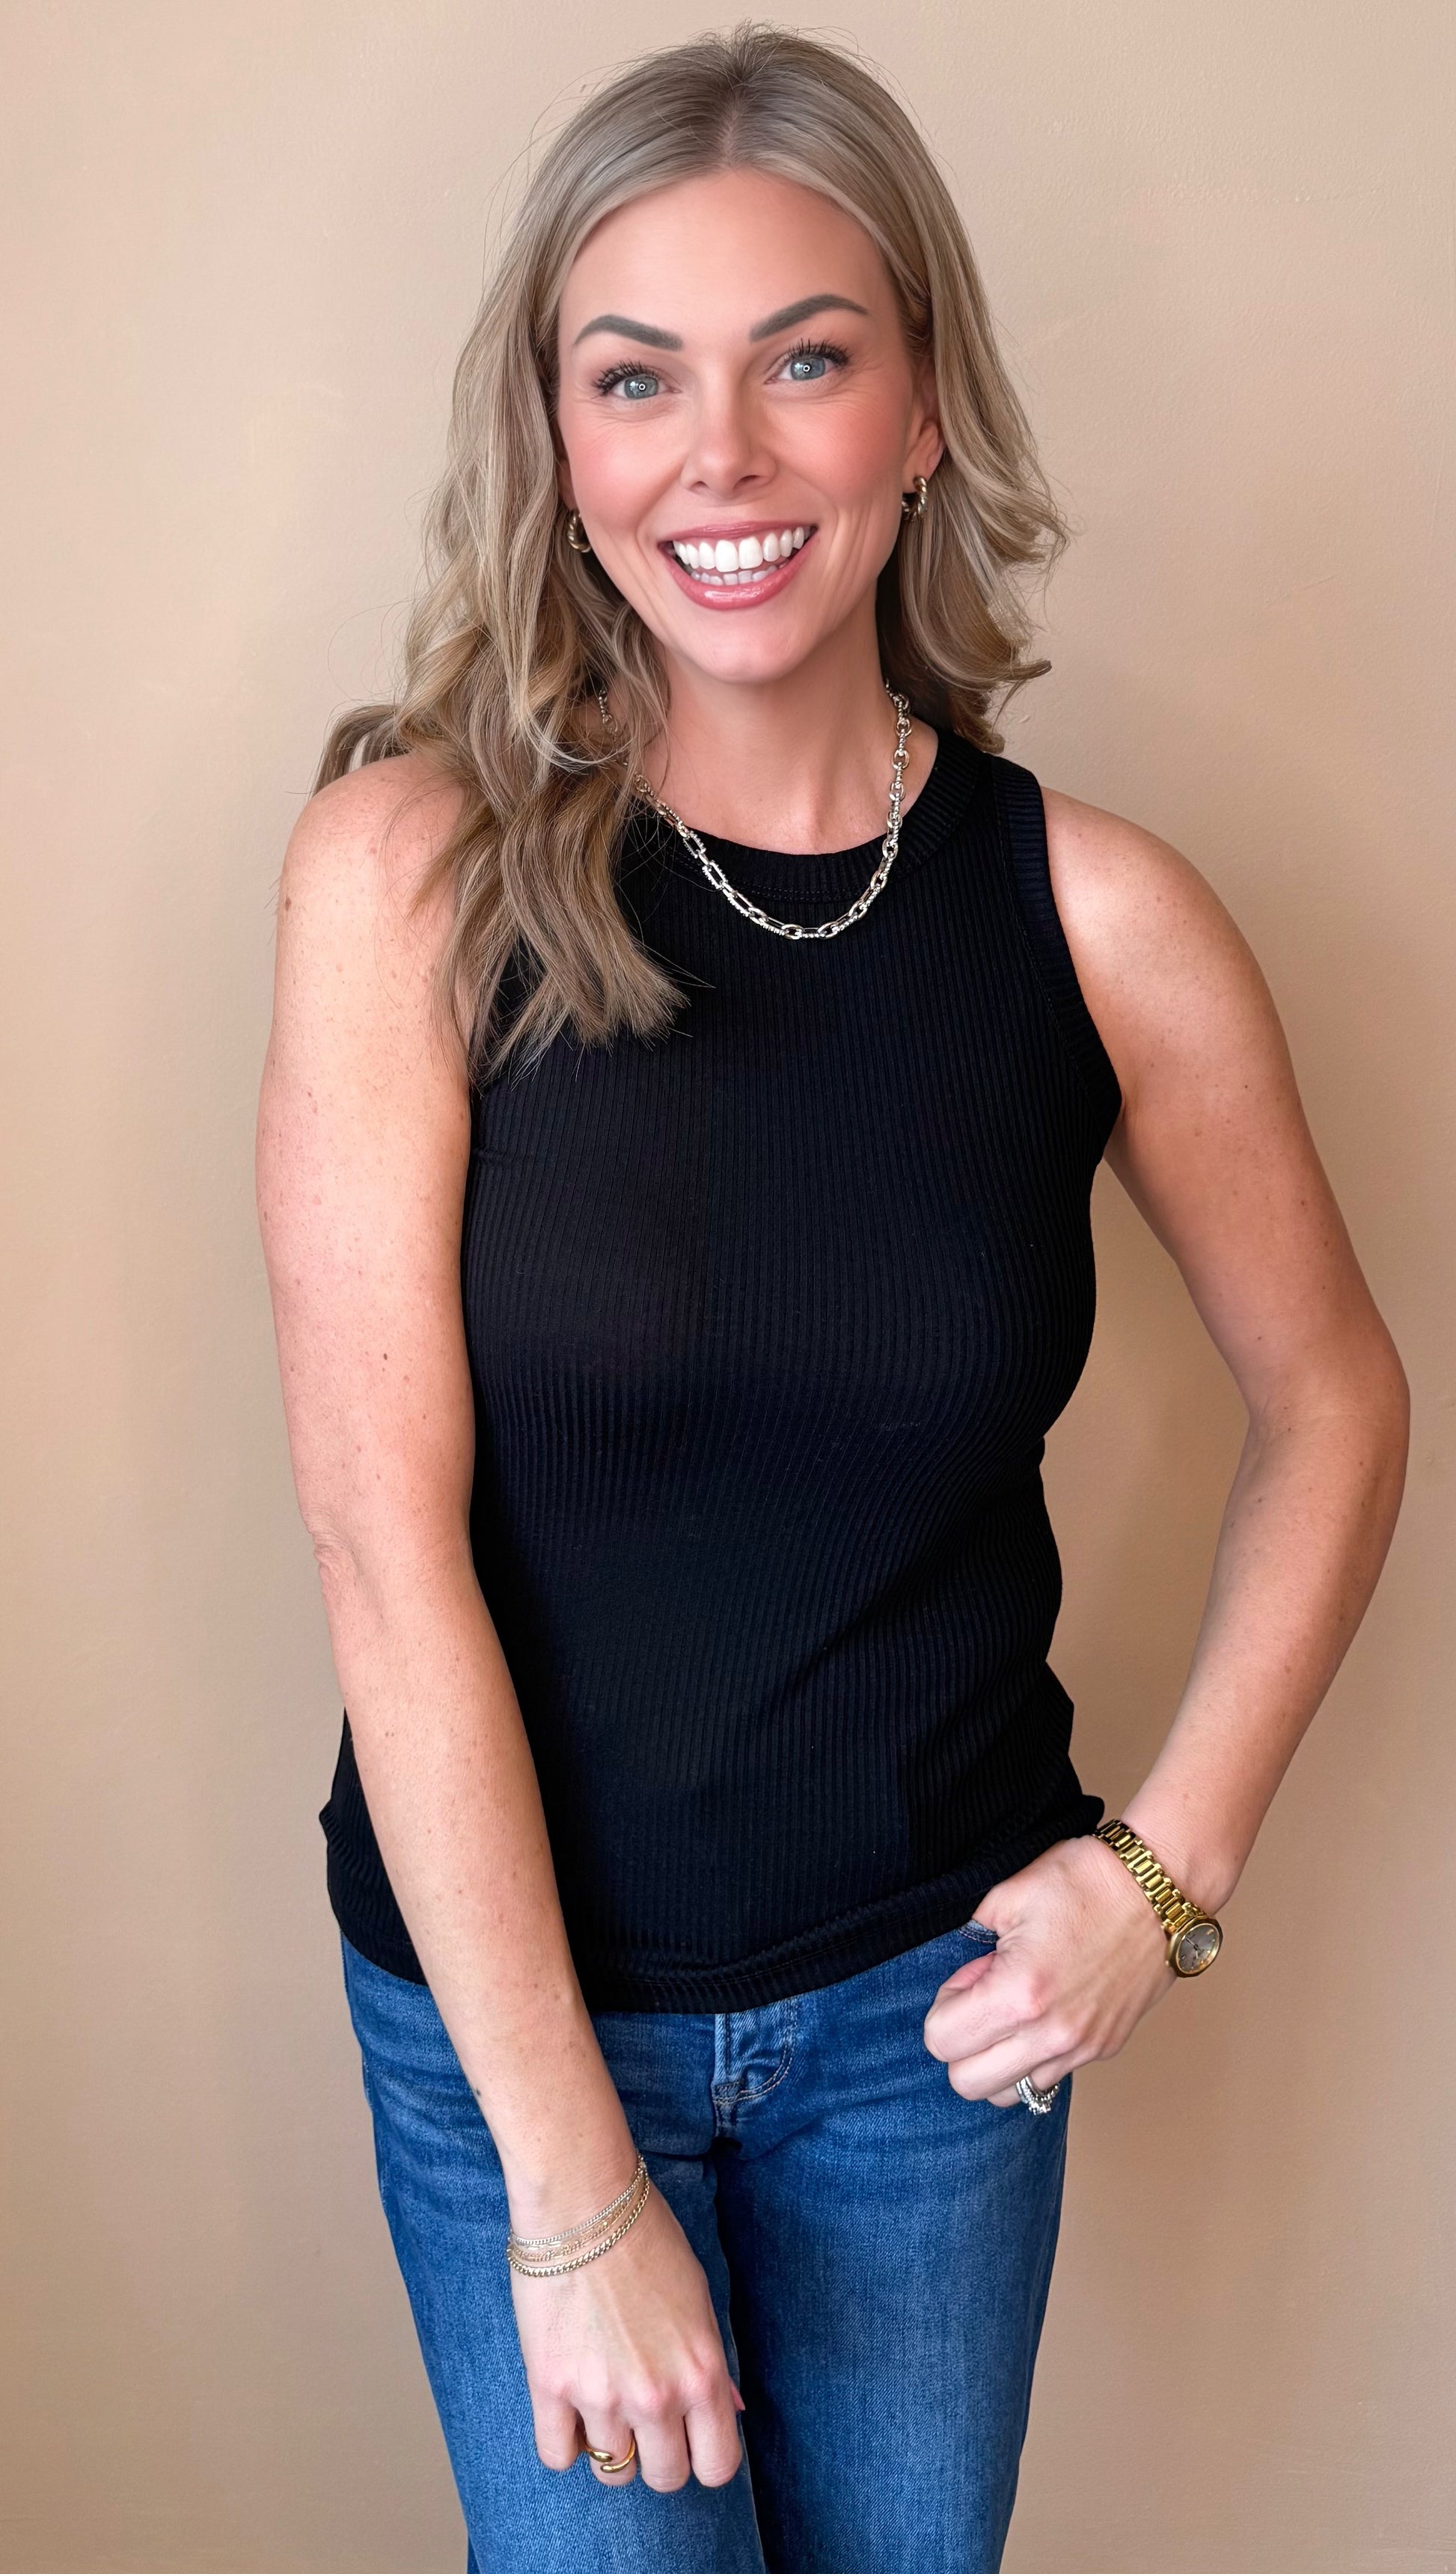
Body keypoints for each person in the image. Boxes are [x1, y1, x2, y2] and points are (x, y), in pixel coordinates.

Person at [255, 25, 1408, 2573]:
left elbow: (1333, 1401)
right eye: (632, 376)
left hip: (931, 2029)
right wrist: (569, 2183)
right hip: (506, 2024)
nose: (724, 458)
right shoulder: (411, 878)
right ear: (554, 440)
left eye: (807, 357)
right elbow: (378, 1549)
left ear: (917, 410)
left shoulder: (1100, 917)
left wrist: (1167, 1868)